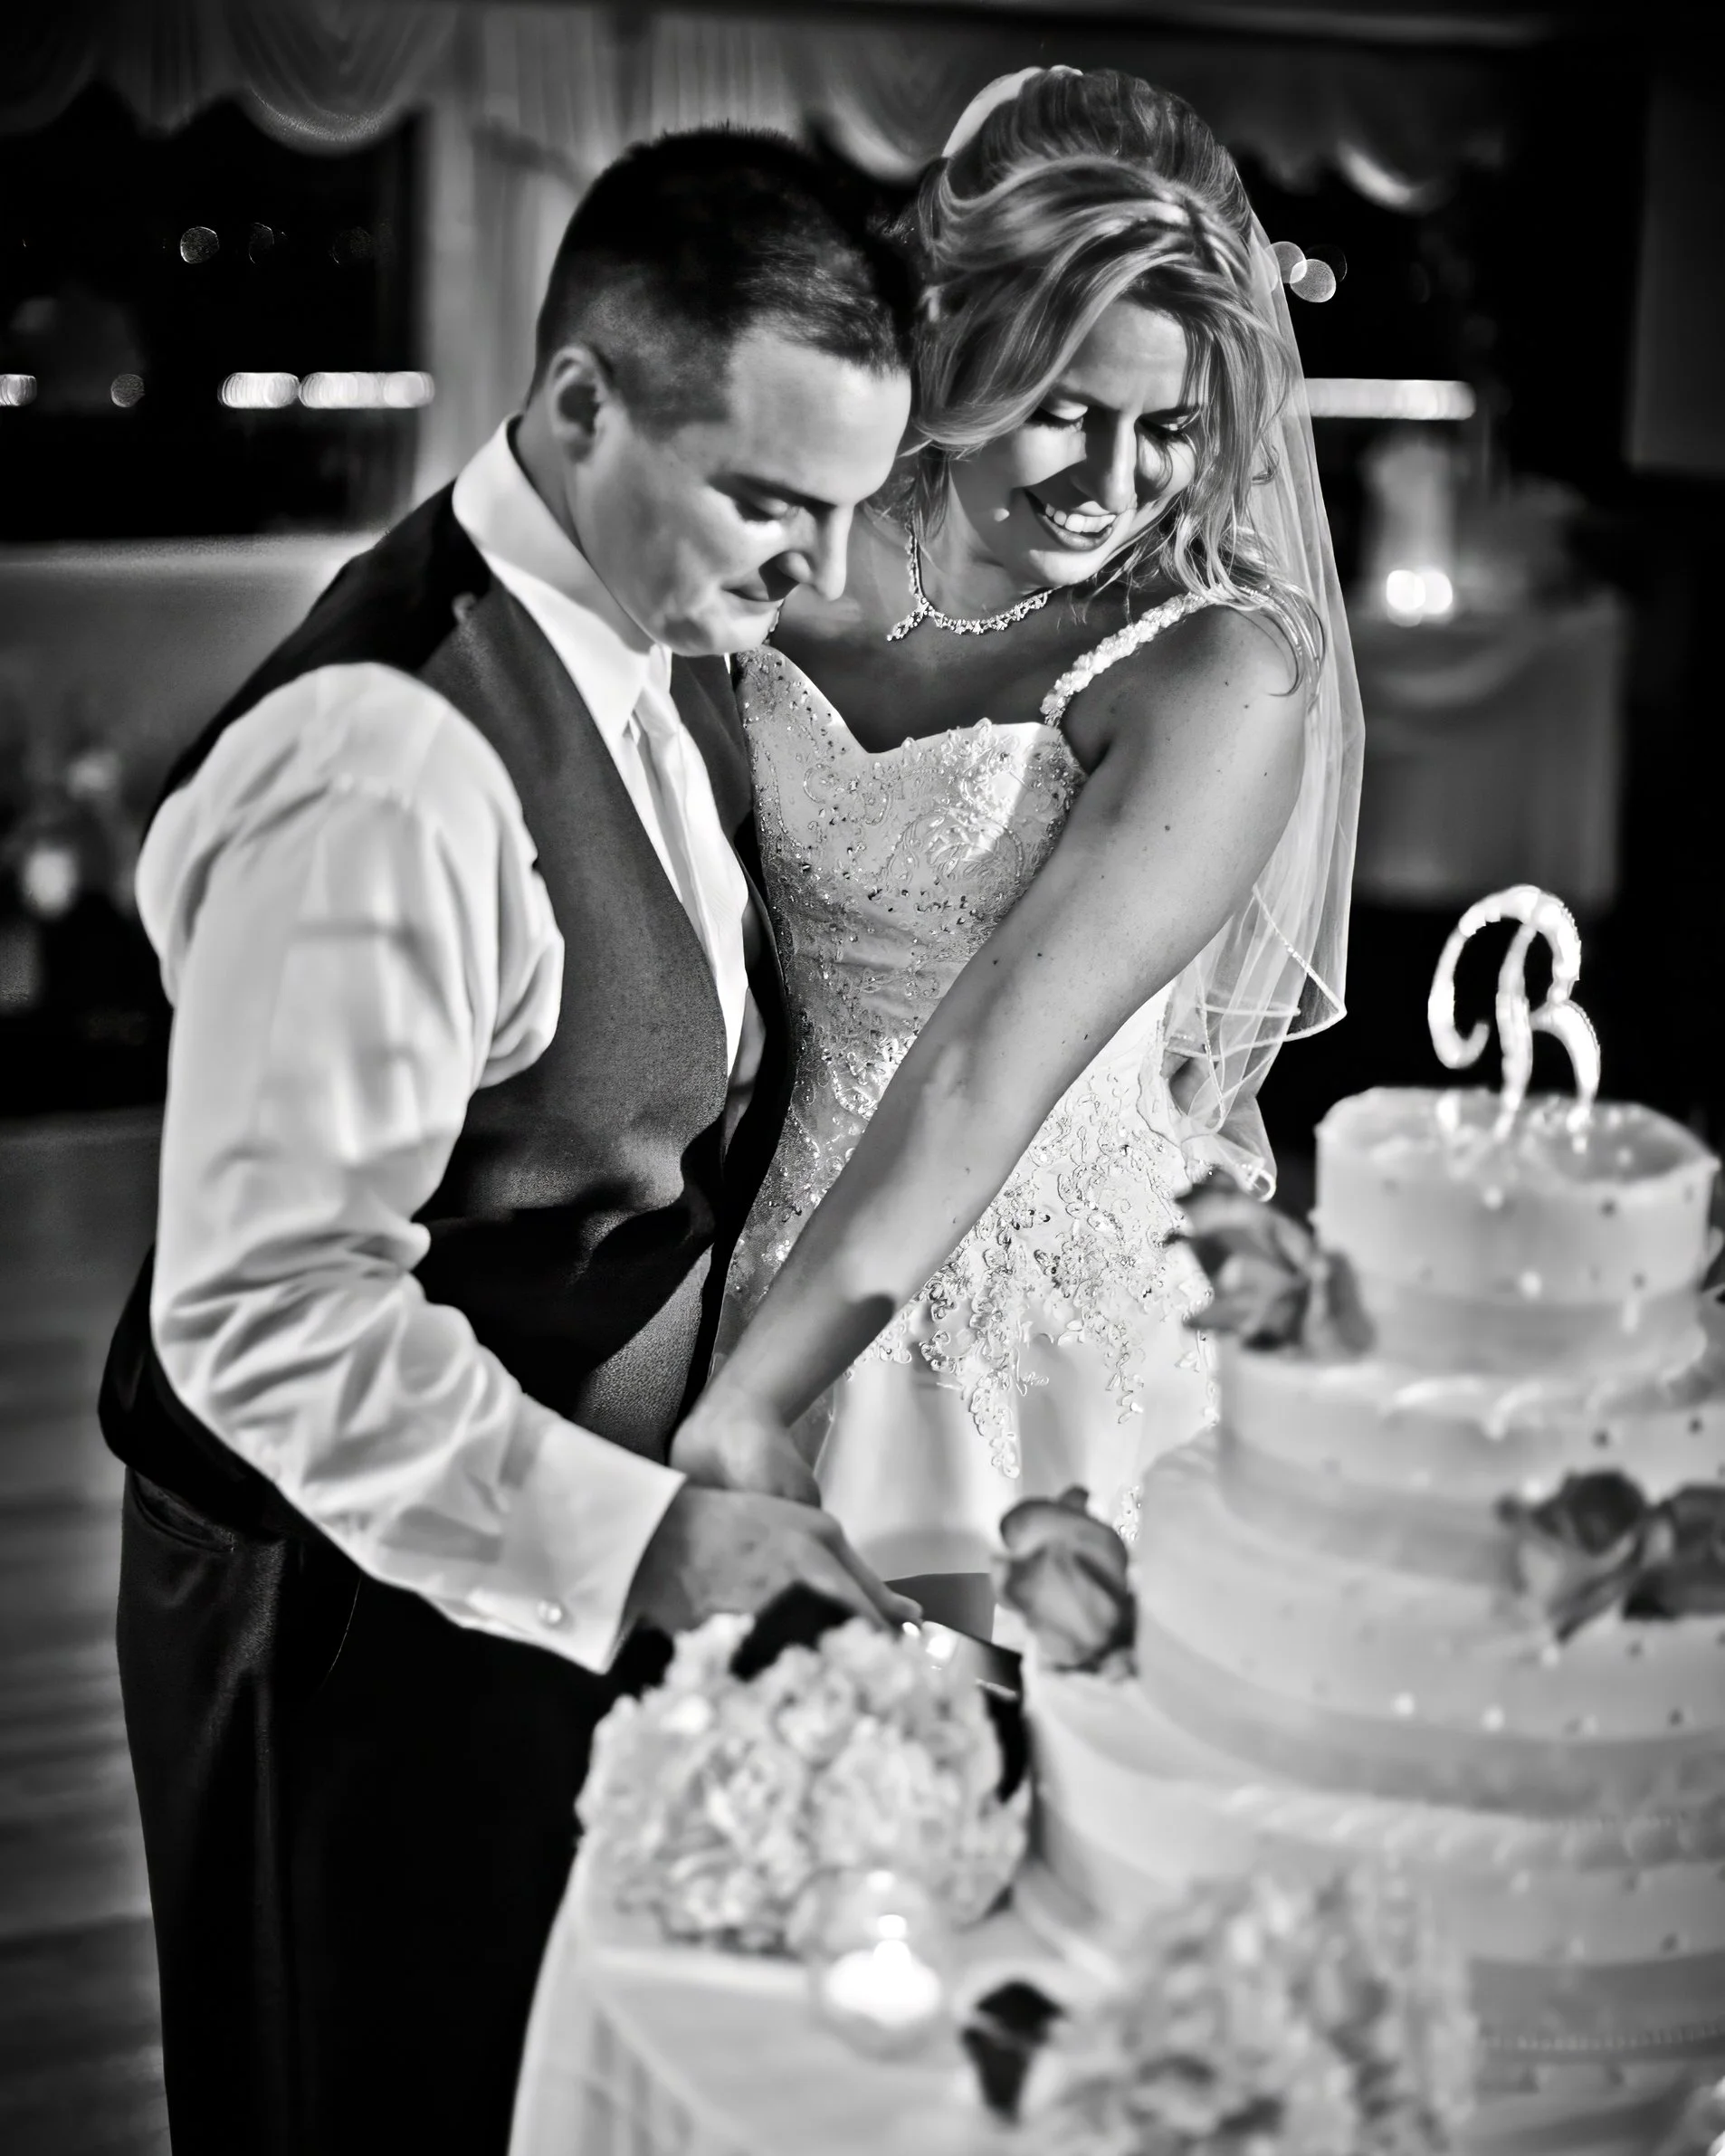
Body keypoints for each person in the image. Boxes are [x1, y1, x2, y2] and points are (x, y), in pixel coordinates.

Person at [97, 130, 917, 2156]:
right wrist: (640, 1545)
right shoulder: (386, 762)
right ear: (576, 402)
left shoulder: (668, 636)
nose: (803, 565)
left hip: (526, 1577)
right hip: (348, 1599)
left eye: (838, 507)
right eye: (762, 494)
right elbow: (270, 1315)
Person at [677, 70, 1363, 1624]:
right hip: (744, 1224)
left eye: (1168, 431)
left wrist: (752, 1393)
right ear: (952, 333)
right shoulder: (803, 539)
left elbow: (989, 1058)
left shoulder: (1215, 673)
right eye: (1063, 404)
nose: (1108, 489)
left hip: (1039, 1309)